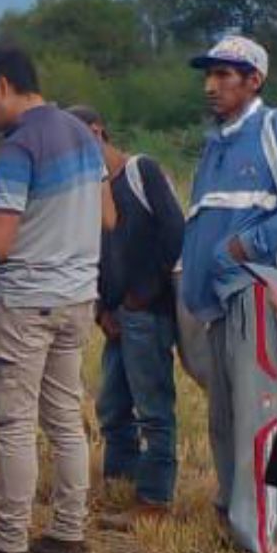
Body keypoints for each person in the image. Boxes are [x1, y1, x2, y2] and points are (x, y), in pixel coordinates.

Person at [176, 34, 277, 553]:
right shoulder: (215, 142)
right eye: (210, 74)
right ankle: (231, 518)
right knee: (223, 416)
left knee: (256, 416)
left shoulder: (276, 126)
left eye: (225, 75)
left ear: (255, 80)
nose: (211, 85)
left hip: (253, 292)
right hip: (216, 302)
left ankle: (261, 542)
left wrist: (247, 245)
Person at [0, 45, 104, 553]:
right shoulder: (84, 138)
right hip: (77, 297)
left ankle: (8, 543)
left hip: (25, 301)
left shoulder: (19, 148)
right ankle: (69, 533)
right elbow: (106, 216)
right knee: (65, 417)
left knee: (14, 421)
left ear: (0, 85)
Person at [88, 113, 187, 515]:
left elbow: (176, 234)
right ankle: (119, 484)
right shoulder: (94, 188)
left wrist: (142, 296)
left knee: (152, 408)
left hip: (148, 313)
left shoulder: (140, 171)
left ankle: (155, 497)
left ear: (96, 133)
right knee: (112, 405)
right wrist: (102, 308)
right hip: (116, 315)